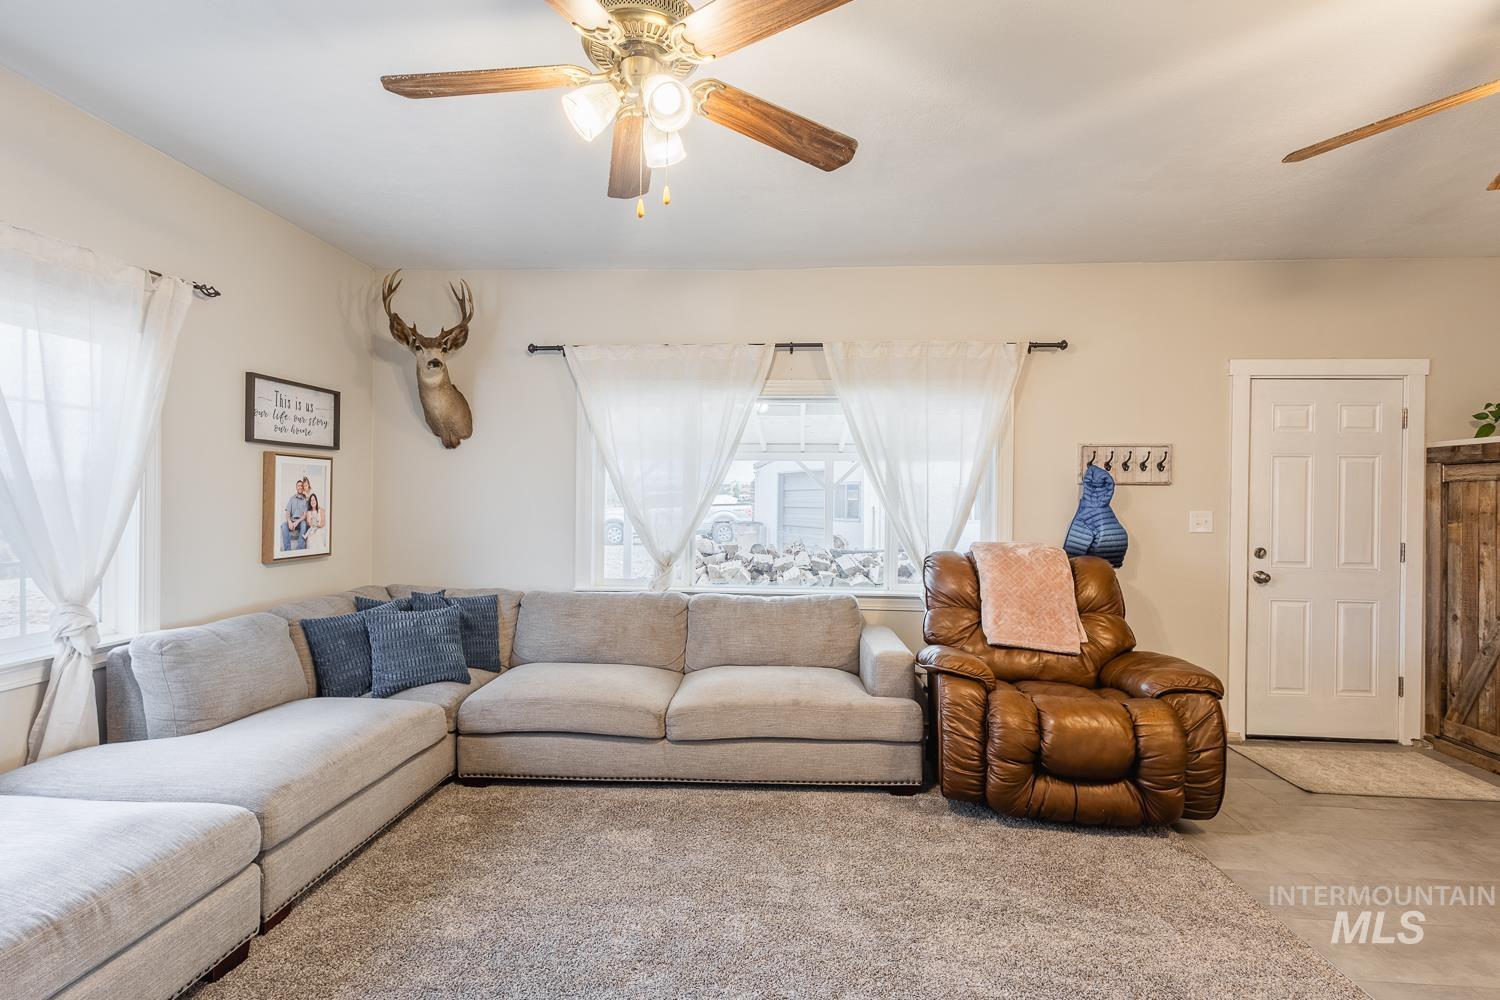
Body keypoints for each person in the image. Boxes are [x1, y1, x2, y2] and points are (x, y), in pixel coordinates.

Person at [280, 477, 310, 552]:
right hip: (292, 520)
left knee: (304, 524)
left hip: (300, 522)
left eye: (301, 485)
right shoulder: (292, 498)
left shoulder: (305, 500)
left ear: (303, 487)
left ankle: (299, 548)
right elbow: (287, 512)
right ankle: (288, 550)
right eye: (298, 486)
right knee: (284, 525)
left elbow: (305, 515)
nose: (300, 487)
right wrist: (290, 521)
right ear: (296, 487)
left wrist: (297, 522)